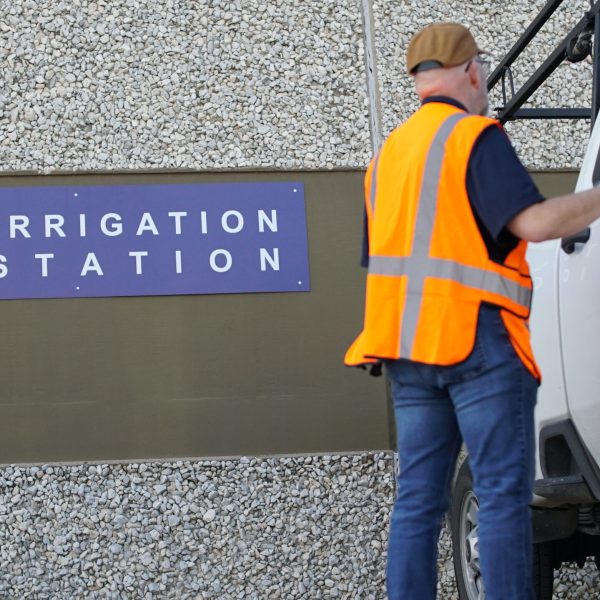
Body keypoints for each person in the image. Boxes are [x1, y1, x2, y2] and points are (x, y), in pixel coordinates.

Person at [344, 21, 600, 600]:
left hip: (408, 352)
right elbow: (534, 225)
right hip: (478, 343)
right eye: (482, 67)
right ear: (468, 70)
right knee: (501, 495)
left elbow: (387, 259)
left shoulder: (385, 159)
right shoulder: (472, 137)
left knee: (417, 501)